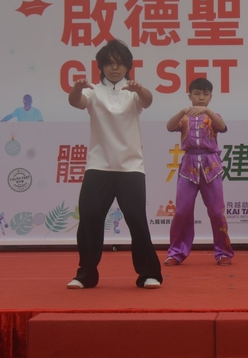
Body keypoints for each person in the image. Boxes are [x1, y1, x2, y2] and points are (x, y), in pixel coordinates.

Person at [66, 39, 162, 289]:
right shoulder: (93, 91)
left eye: (119, 64)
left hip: (130, 168)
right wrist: (76, 88)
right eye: (109, 64)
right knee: (89, 218)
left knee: (137, 220)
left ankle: (149, 273)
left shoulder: (133, 92)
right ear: (101, 67)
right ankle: (86, 274)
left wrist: (140, 89)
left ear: (128, 66)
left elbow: (148, 101)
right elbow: (76, 102)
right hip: (98, 166)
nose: (115, 68)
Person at [164, 78, 234, 266]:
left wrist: (207, 111)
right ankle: (176, 253)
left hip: (211, 166)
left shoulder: (213, 116)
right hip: (188, 166)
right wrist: (182, 111)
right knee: (182, 211)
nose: (201, 98)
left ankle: (223, 252)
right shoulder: (184, 117)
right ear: (190, 96)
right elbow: (169, 126)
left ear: (211, 97)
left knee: (217, 212)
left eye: (205, 94)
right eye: (197, 94)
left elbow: (222, 127)